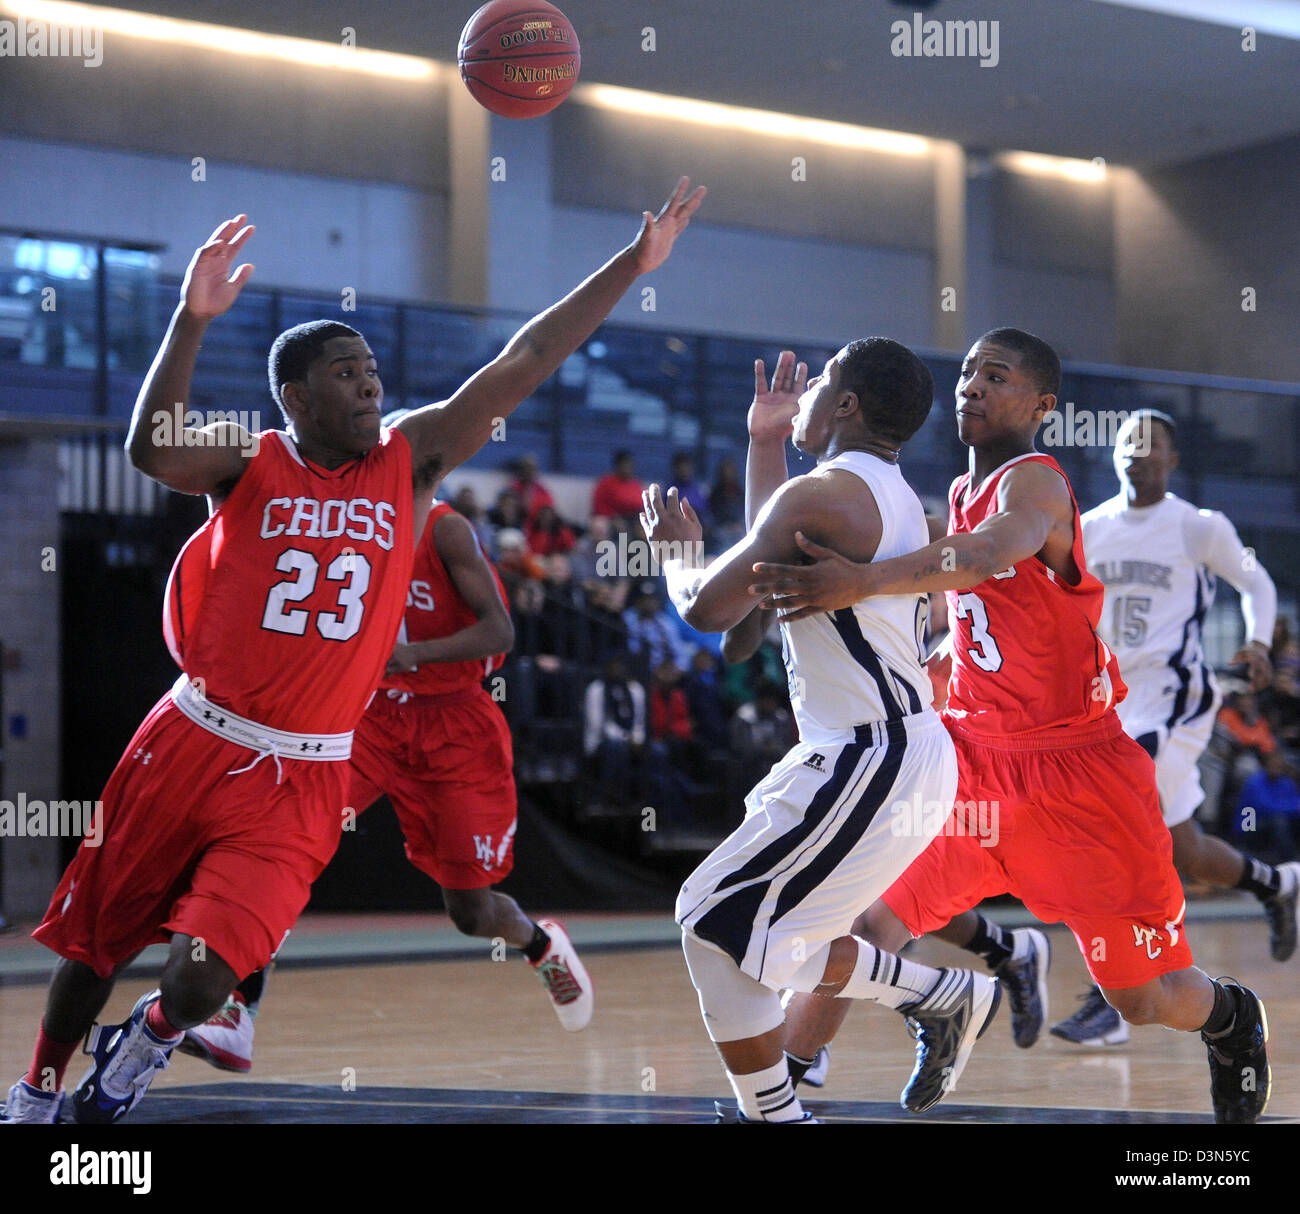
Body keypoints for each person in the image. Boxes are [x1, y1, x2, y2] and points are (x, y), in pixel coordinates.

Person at [2, 178, 705, 1125]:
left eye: (372, 366)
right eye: (345, 370)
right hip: (195, 735)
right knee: (96, 940)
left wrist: (634, 262)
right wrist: (189, 319)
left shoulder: (412, 461)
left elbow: (528, 355)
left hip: (305, 773)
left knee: (205, 977)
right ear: (295, 396)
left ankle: (156, 1036)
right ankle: (39, 1089)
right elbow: (149, 451)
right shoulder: (249, 460)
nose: (370, 378)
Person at [752, 329, 1270, 1124]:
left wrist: (862, 582)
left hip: (1080, 778)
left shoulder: (1037, 486)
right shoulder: (952, 498)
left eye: (995, 377)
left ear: (1042, 406)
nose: (972, 386)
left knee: (1143, 998)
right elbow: (829, 542)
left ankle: (1232, 1019)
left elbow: (989, 553)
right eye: (965, 372)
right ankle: (778, 1091)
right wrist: (775, 445)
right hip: (972, 763)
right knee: (866, 918)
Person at [641, 341, 999, 1123]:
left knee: (711, 923)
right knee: (774, 944)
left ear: (845, 407)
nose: (800, 397)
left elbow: (710, 607)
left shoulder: (828, 496)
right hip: (884, 751)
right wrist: (764, 441)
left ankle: (779, 1116)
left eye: (820, 386)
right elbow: (771, 557)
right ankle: (943, 995)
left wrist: (675, 558)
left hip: (873, 754)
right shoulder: (878, 492)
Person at [181, 492, 594, 1073]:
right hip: (368, 717)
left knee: (471, 914)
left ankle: (538, 944)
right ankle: (236, 1012)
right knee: (280, 844)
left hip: (455, 724)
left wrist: (414, 654)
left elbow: (500, 633)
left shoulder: (445, 531)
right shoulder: (342, 522)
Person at [1049, 409, 1294, 1046]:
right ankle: (1278, 883)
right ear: (1114, 455)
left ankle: (1120, 991)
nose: (1139, 450)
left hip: (1173, 699)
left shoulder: (1197, 525)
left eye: (1152, 442)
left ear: (1173, 459)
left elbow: (1256, 583)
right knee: (1184, 851)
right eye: (1128, 440)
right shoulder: (1091, 526)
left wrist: (1259, 642)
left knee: (1115, 832)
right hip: (1108, 702)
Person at [592, 450, 645, 525]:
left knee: (643, 526)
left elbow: (641, 503)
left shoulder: (635, 483)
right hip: (614, 518)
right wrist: (613, 516)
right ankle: (623, 537)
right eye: (625, 465)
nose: (627, 469)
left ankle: (641, 537)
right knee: (622, 528)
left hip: (633, 517)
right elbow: (599, 506)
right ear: (617, 466)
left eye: (630, 466)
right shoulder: (606, 483)